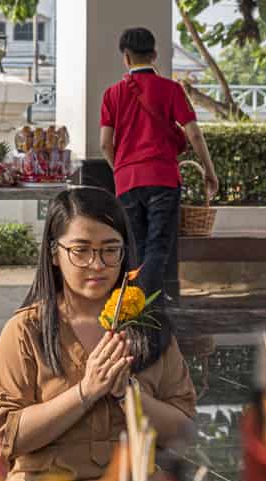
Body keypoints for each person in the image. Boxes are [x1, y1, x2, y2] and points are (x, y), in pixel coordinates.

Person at [0, 187, 197, 481]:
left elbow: (181, 429)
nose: (96, 264)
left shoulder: (148, 328)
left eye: (110, 249)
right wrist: (85, 391)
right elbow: (8, 435)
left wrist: (128, 396)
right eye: (81, 250)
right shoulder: (26, 331)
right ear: (54, 254)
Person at [100, 27, 219, 302]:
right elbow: (194, 134)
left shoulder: (112, 94)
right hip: (163, 179)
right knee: (158, 246)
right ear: (154, 55)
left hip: (127, 180)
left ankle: (141, 301)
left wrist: (120, 168)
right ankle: (144, 305)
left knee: (137, 246)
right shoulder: (171, 89)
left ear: (126, 59)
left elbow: (106, 144)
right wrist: (210, 172)